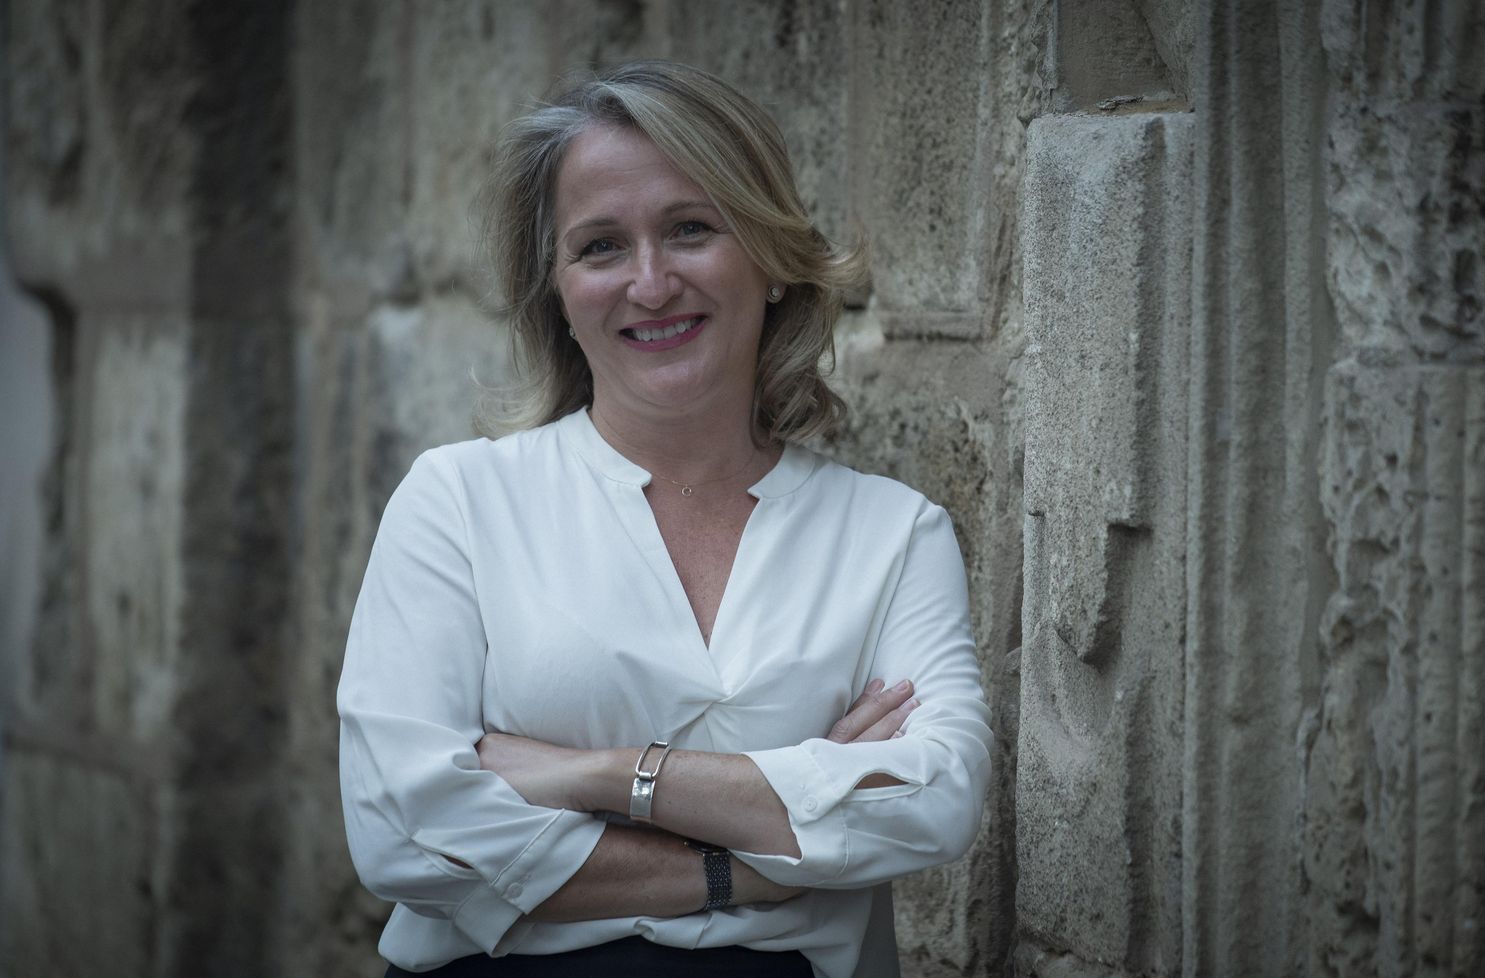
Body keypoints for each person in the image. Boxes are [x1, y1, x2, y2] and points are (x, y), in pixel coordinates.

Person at [337, 60, 993, 978]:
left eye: (691, 230)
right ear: (557, 293)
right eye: (600, 247)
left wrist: (605, 775)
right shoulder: (459, 501)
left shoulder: (892, 534)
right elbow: (402, 834)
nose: (651, 283)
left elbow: (936, 801)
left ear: (767, 259)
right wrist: (751, 867)